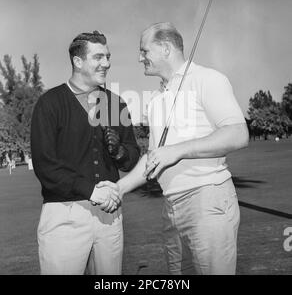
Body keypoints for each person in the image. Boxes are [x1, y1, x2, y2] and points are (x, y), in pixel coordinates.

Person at [99, 22, 249, 275]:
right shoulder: (156, 100)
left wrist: (178, 150)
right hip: (171, 207)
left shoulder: (207, 79)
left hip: (207, 201)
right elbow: (155, 157)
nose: (139, 58)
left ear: (166, 48)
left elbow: (237, 133)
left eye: (144, 51)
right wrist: (119, 188)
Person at [31, 31, 140, 275]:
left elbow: (132, 156)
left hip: (109, 214)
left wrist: (120, 152)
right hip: (65, 215)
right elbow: (45, 166)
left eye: (108, 56)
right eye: (98, 57)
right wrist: (92, 191)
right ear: (78, 62)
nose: (107, 63)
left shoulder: (114, 103)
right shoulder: (50, 103)